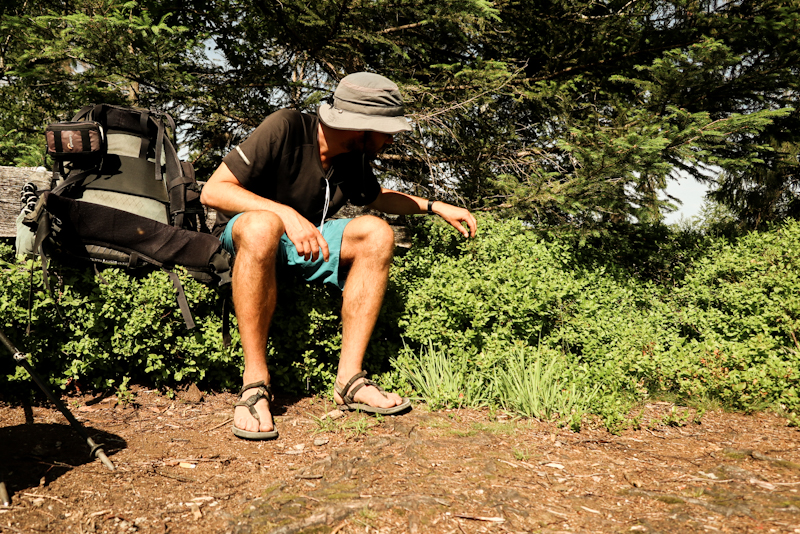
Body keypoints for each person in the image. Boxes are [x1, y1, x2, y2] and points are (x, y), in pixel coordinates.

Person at [200, 72, 477, 440]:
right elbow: (214, 190)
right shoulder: (285, 127)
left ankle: (349, 380)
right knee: (263, 226)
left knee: (376, 232)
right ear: (361, 127)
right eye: (386, 130)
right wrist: (286, 215)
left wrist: (433, 205)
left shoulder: (352, 157)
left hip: (304, 243)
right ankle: (255, 384)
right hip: (248, 236)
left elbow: (377, 197)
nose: (391, 138)